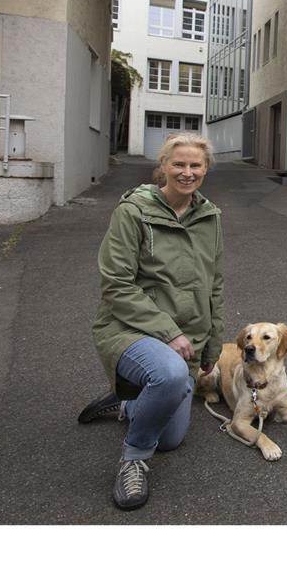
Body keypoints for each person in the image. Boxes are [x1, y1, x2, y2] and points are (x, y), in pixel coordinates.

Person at [77, 133, 224, 510]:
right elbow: (116, 284)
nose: (187, 172)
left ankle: (128, 402)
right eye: (179, 164)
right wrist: (168, 331)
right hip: (128, 328)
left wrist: (212, 344)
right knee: (170, 376)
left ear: (205, 169)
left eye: (195, 166)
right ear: (163, 167)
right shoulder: (134, 211)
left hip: (186, 339)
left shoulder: (210, 217)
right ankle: (134, 460)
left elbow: (214, 284)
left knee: (172, 439)